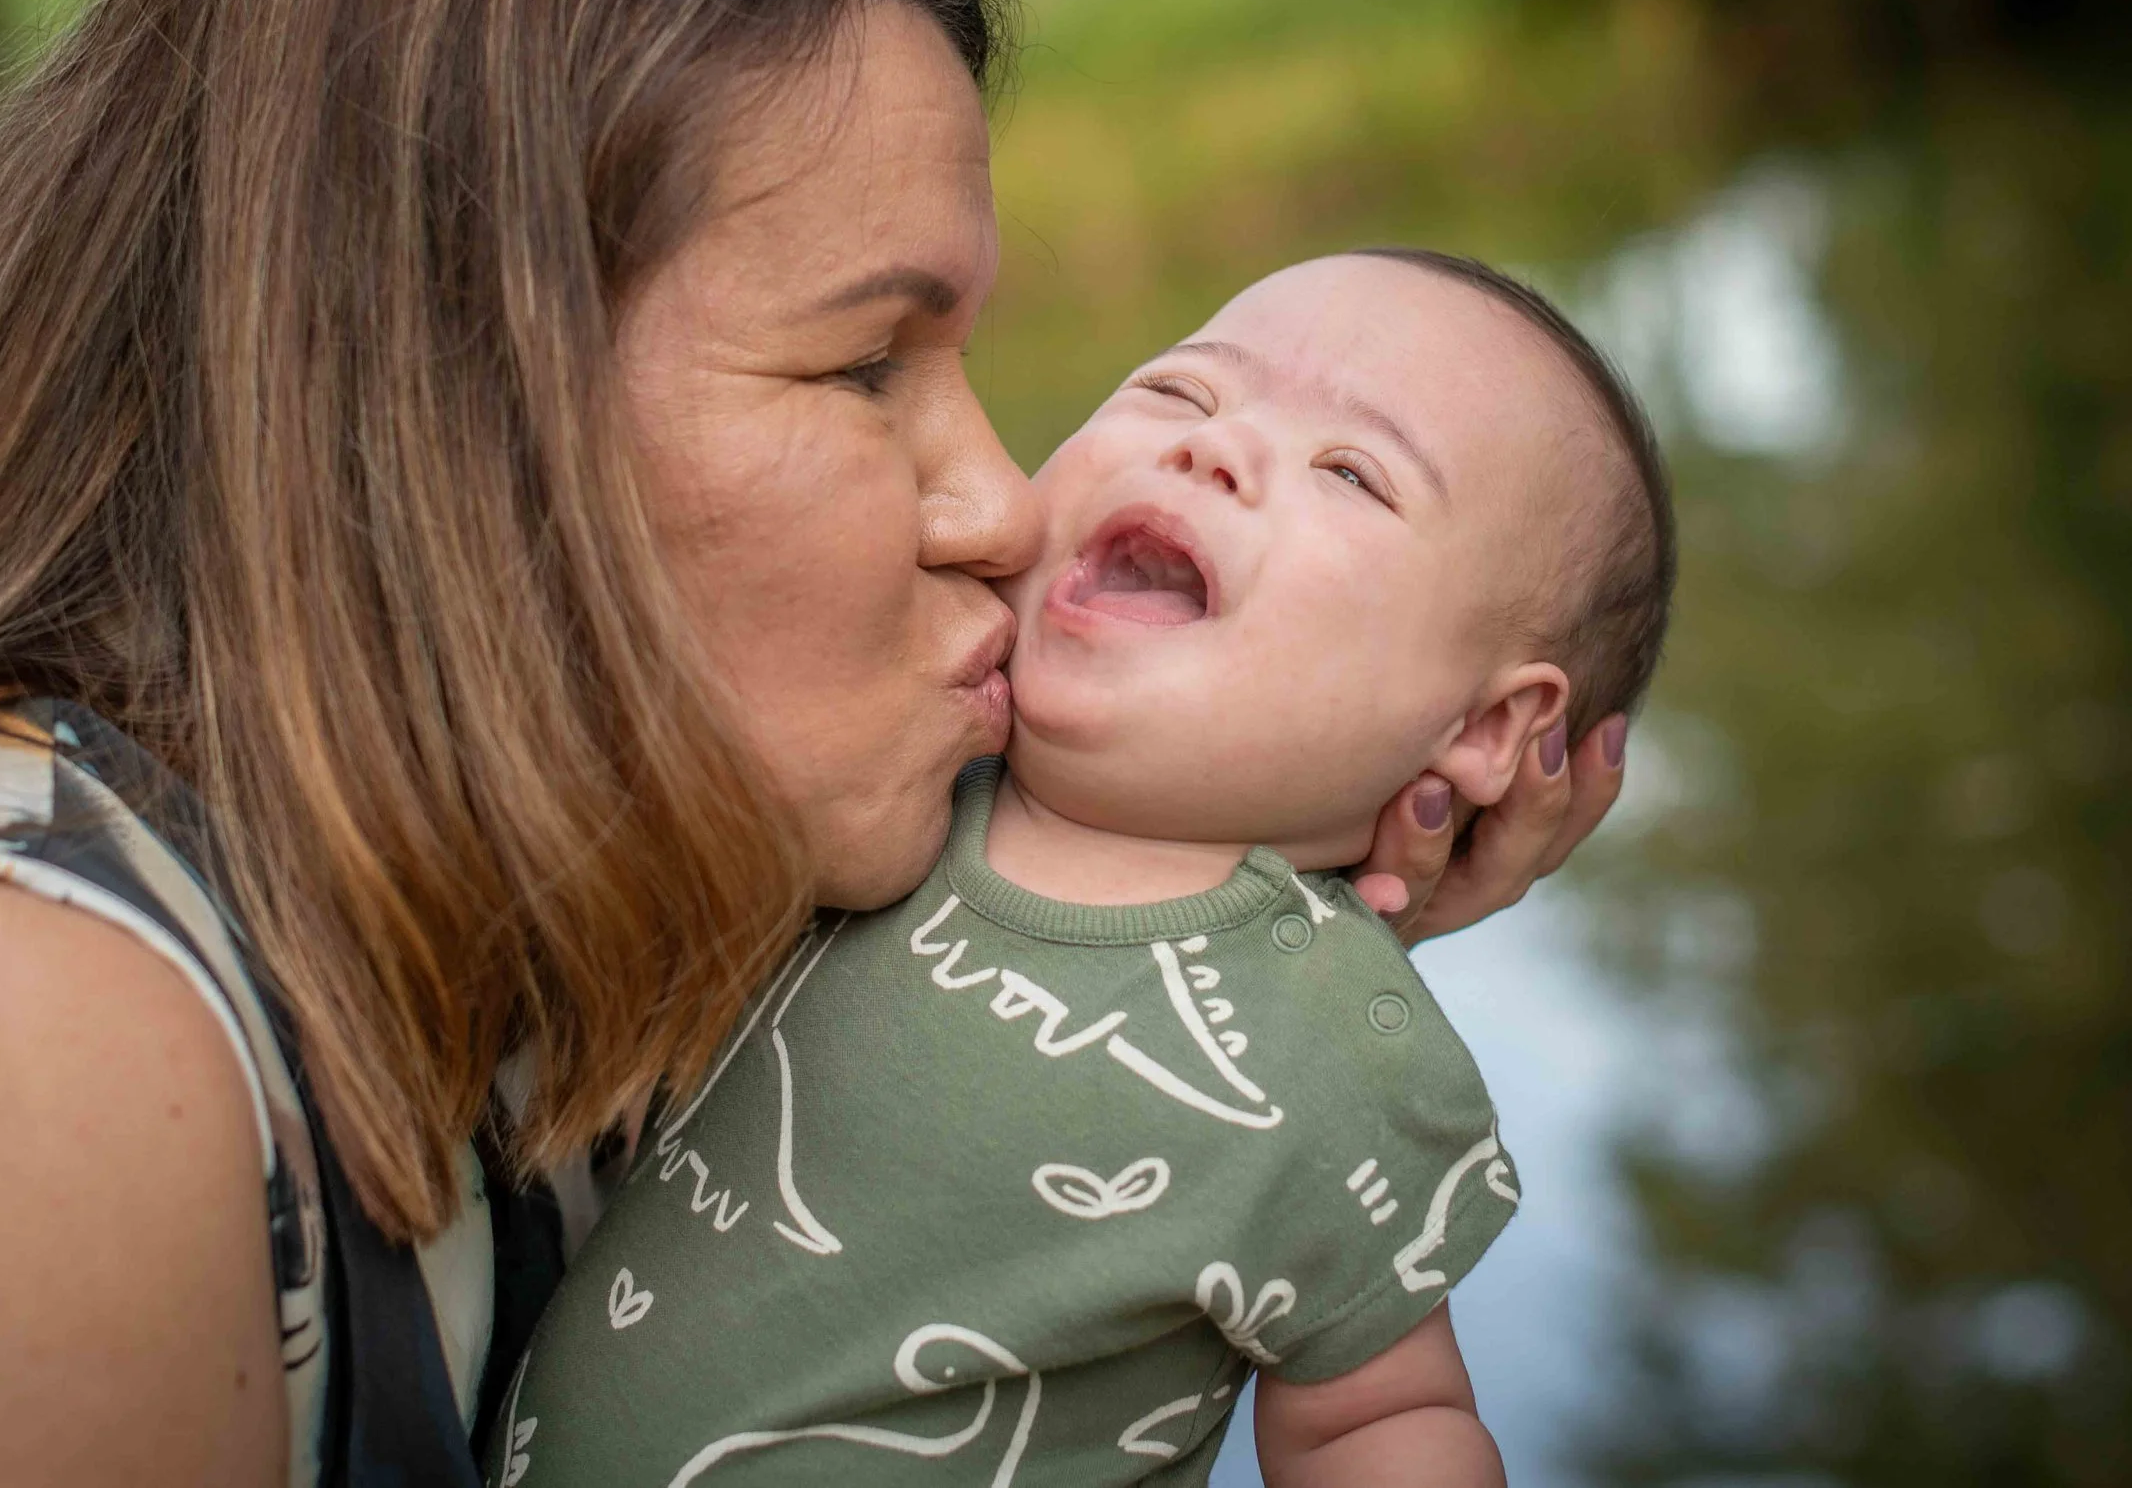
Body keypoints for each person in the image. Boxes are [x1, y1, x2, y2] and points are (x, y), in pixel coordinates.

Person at [0, 0, 1626, 1483]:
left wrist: (1264, 870)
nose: (1004, 504)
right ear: (454, 397)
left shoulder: (571, 892)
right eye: (866, 364)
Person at [493, 249, 1673, 1487]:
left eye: (1350, 471)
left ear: (1488, 729)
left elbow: (1380, 1418)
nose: (1212, 447)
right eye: (1177, 390)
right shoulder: (875, 785)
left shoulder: (1338, 1054)